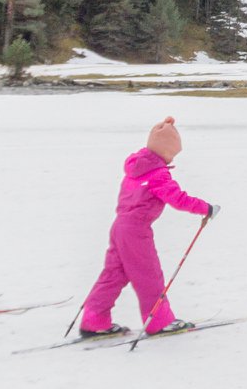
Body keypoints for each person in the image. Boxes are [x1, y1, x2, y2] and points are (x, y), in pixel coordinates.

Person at [78, 117, 219, 339]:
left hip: (119, 228)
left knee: (113, 274)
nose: (173, 157)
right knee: (148, 275)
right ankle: (159, 322)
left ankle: (94, 320)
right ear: (165, 150)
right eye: (173, 153)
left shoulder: (135, 170)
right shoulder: (158, 174)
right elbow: (178, 199)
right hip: (136, 231)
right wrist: (206, 208)